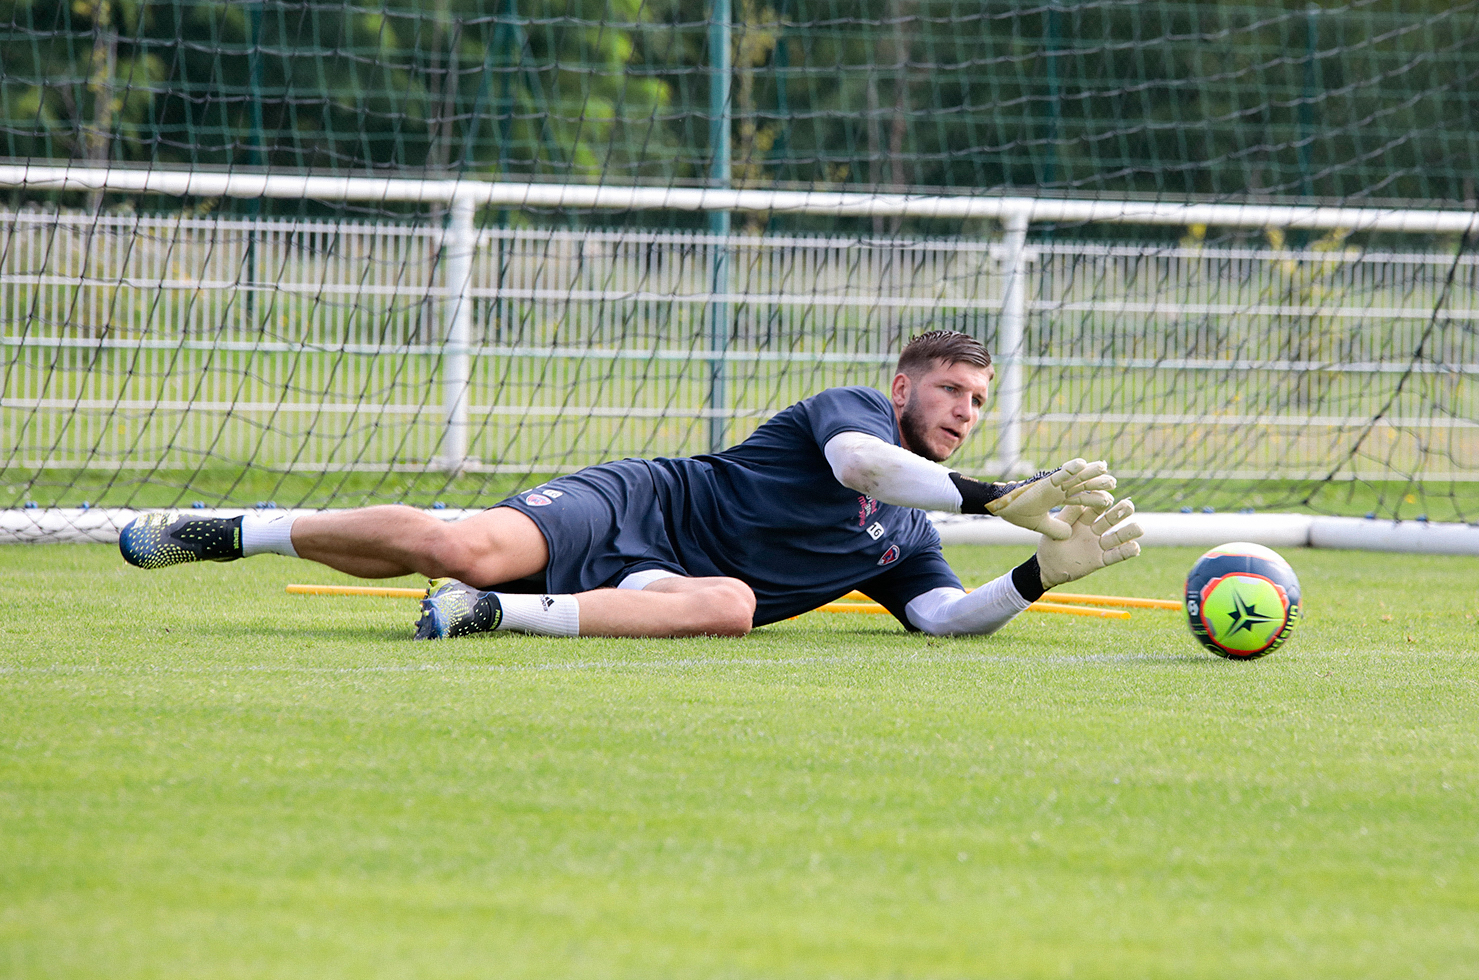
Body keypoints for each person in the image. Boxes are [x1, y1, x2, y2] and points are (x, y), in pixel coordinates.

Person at [119, 330, 1143, 639]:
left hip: (664, 585)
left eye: (979, 397)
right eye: (949, 391)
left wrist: (1037, 574)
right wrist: (981, 495)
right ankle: (229, 532)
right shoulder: (858, 417)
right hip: (637, 506)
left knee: (736, 607)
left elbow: (942, 619)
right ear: (902, 387)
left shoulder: (904, 540)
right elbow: (858, 469)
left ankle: (490, 618)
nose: (965, 408)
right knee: (461, 543)